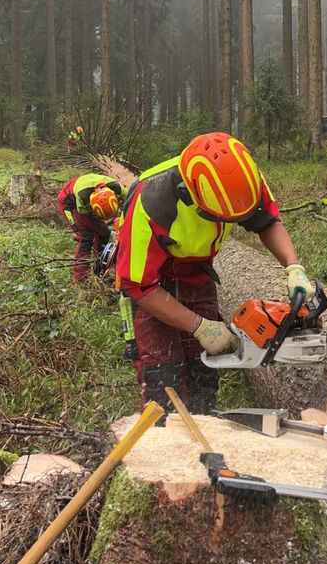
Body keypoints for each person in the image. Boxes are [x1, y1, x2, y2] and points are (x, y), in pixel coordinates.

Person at [115, 131, 313, 414]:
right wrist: (199, 326)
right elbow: (138, 286)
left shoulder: (241, 180)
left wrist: (293, 268)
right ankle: (164, 437)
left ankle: (206, 423)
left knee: (203, 366)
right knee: (162, 371)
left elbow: (267, 222)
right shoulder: (152, 202)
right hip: (150, 277)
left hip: (197, 270)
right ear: (191, 195)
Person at [57, 173, 127, 283]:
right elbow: (85, 218)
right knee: (86, 237)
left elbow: (131, 203)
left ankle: (99, 266)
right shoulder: (82, 197)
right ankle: (80, 279)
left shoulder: (118, 188)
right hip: (69, 203)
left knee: (104, 233)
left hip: (86, 195)